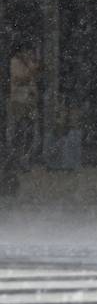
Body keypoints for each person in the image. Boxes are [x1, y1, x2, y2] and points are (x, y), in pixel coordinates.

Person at [1, 43, 40, 195]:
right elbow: (19, 79)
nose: (28, 54)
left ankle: (25, 157)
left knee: (29, 129)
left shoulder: (28, 62)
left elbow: (32, 80)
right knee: (19, 129)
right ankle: (17, 159)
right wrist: (31, 71)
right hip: (18, 101)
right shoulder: (15, 62)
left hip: (29, 101)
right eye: (26, 51)